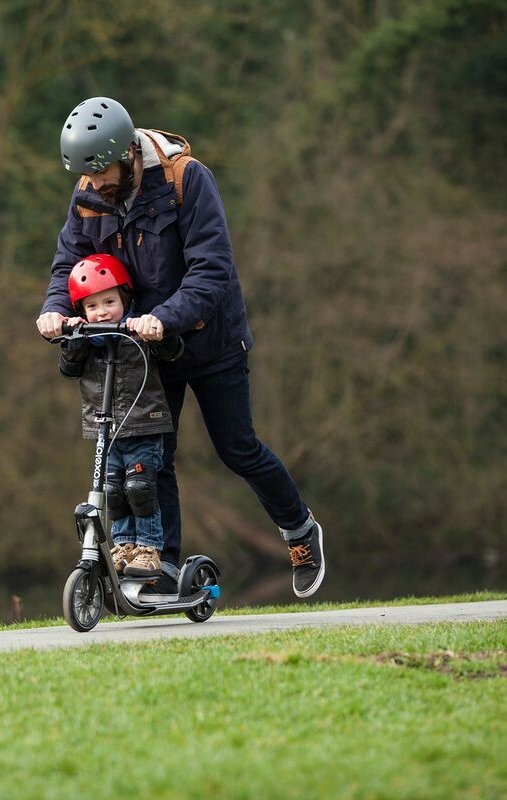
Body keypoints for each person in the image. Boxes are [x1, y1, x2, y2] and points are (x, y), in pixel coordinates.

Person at [37, 96, 325, 598]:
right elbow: (71, 262)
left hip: (209, 339)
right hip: (144, 349)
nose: (96, 186)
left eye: (103, 173)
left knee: (238, 449)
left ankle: (300, 531)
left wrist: (162, 318)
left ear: (128, 153)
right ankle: (162, 566)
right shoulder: (88, 193)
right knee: (153, 457)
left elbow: (211, 269)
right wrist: (55, 309)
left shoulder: (187, 180)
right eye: (88, 176)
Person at [58, 253, 184, 577]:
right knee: (113, 492)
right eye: (93, 306)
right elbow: (69, 368)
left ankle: (149, 549)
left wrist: (155, 329)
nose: (102, 311)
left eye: (109, 301)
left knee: (139, 488)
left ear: (124, 298)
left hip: (143, 424)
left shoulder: (136, 330)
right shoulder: (85, 341)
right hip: (107, 429)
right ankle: (123, 545)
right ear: (82, 312)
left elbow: (172, 351)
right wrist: (70, 337)